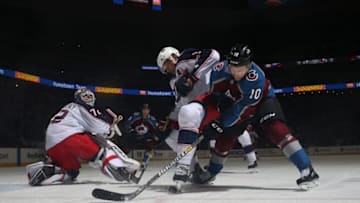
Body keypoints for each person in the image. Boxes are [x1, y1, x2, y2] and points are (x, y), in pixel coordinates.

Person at [179, 43, 319, 191]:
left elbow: (242, 109)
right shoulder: (218, 71)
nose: (236, 72)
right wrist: (214, 121)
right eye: (234, 68)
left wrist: (220, 122)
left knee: (276, 130)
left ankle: (307, 170)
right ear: (228, 63)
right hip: (236, 104)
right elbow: (217, 97)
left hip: (262, 102)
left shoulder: (255, 79)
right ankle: (211, 173)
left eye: (241, 69)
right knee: (225, 139)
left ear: (249, 65)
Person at [156, 46, 258, 192]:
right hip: (201, 109)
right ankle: (192, 168)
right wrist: (170, 120)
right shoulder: (175, 81)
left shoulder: (185, 58)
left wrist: (192, 77)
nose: (166, 71)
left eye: (165, 66)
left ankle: (252, 160)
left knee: (238, 133)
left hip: (218, 102)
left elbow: (213, 55)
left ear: (171, 57)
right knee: (171, 136)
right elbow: (182, 103)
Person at [25, 88, 141, 186]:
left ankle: (49, 169)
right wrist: (110, 129)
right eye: (85, 97)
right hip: (69, 138)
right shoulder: (82, 108)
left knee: (72, 173)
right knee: (101, 152)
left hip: (52, 145)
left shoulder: (67, 107)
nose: (88, 99)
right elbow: (97, 126)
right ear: (78, 99)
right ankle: (123, 171)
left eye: (90, 96)